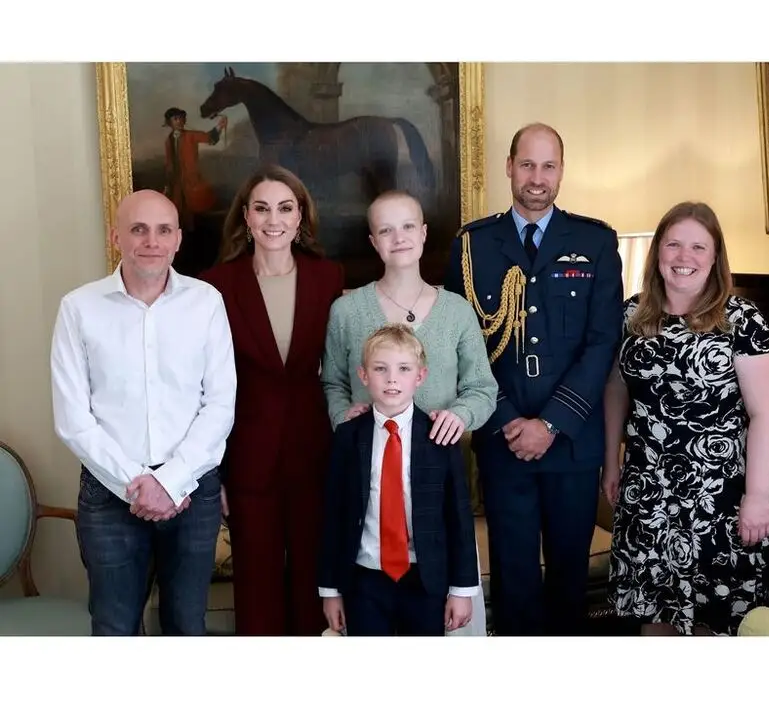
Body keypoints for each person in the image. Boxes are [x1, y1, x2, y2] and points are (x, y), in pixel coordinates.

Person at [445, 122, 624, 636]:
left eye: (548, 166)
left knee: (570, 579)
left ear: (562, 171)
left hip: (571, 445)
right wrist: (507, 421)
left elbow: (601, 344)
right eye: (527, 164)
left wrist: (551, 423)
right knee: (513, 577)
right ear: (508, 167)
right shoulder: (471, 246)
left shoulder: (594, 241)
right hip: (503, 444)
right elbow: (466, 345)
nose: (537, 177)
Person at [50, 189, 237, 636]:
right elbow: (73, 418)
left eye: (162, 230)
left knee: (187, 626)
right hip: (109, 494)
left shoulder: (206, 302)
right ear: (117, 236)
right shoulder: (79, 308)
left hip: (192, 492)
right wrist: (138, 485)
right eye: (138, 229)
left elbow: (220, 404)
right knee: (115, 627)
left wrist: (170, 481)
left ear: (177, 241)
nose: (151, 241)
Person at [321, 189, 498, 635]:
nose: (397, 238)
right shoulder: (346, 310)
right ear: (373, 241)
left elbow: (482, 387)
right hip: (373, 466)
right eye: (385, 229)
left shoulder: (457, 311)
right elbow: (334, 382)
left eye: (406, 227)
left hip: (435, 477)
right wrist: (346, 417)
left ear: (422, 234)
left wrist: (459, 415)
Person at [602, 201, 769, 636]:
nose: (684, 258)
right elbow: (616, 389)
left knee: (715, 624)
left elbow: (765, 414)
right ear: (658, 252)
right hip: (647, 493)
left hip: (718, 499)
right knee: (655, 616)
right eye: (674, 245)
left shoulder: (743, 320)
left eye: (699, 247)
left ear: (715, 257)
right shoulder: (631, 315)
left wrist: (758, 496)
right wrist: (612, 463)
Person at [200, 165, 344, 635]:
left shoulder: (328, 277)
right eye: (262, 208)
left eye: (285, 208)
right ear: (246, 217)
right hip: (245, 458)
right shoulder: (216, 286)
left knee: (312, 581)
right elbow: (203, 385)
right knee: (256, 586)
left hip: (314, 452)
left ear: (300, 217)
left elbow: (341, 369)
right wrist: (213, 472)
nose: (273, 219)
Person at [318, 324, 480, 636]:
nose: (392, 378)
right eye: (380, 369)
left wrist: (462, 590)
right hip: (364, 577)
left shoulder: (440, 437)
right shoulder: (348, 437)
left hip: (425, 579)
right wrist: (330, 590)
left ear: (420, 376)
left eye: (403, 368)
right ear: (364, 376)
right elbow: (333, 516)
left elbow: (458, 517)